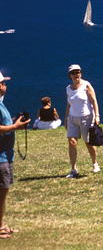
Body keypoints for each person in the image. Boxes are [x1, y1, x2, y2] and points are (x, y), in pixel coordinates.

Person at [0, 71, 29, 240]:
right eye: (3, 82)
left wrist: (14, 122)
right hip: (1, 157)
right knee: (1, 193)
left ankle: (2, 224)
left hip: (6, 155)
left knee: (3, 193)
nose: (5, 85)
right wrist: (14, 127)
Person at [64, 64, 100, 178]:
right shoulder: (68, 89)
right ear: (70, 75)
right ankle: (73, 169)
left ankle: (95, 163)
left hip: (86, 117)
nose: (76, 74)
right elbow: (69, 104)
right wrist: (66, 118)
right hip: (72, 118)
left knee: (88, 142)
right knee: (72, 142)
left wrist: (97, 116)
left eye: (78, 72)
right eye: (73, 73)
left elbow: (94, 101)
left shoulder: (86, 85)